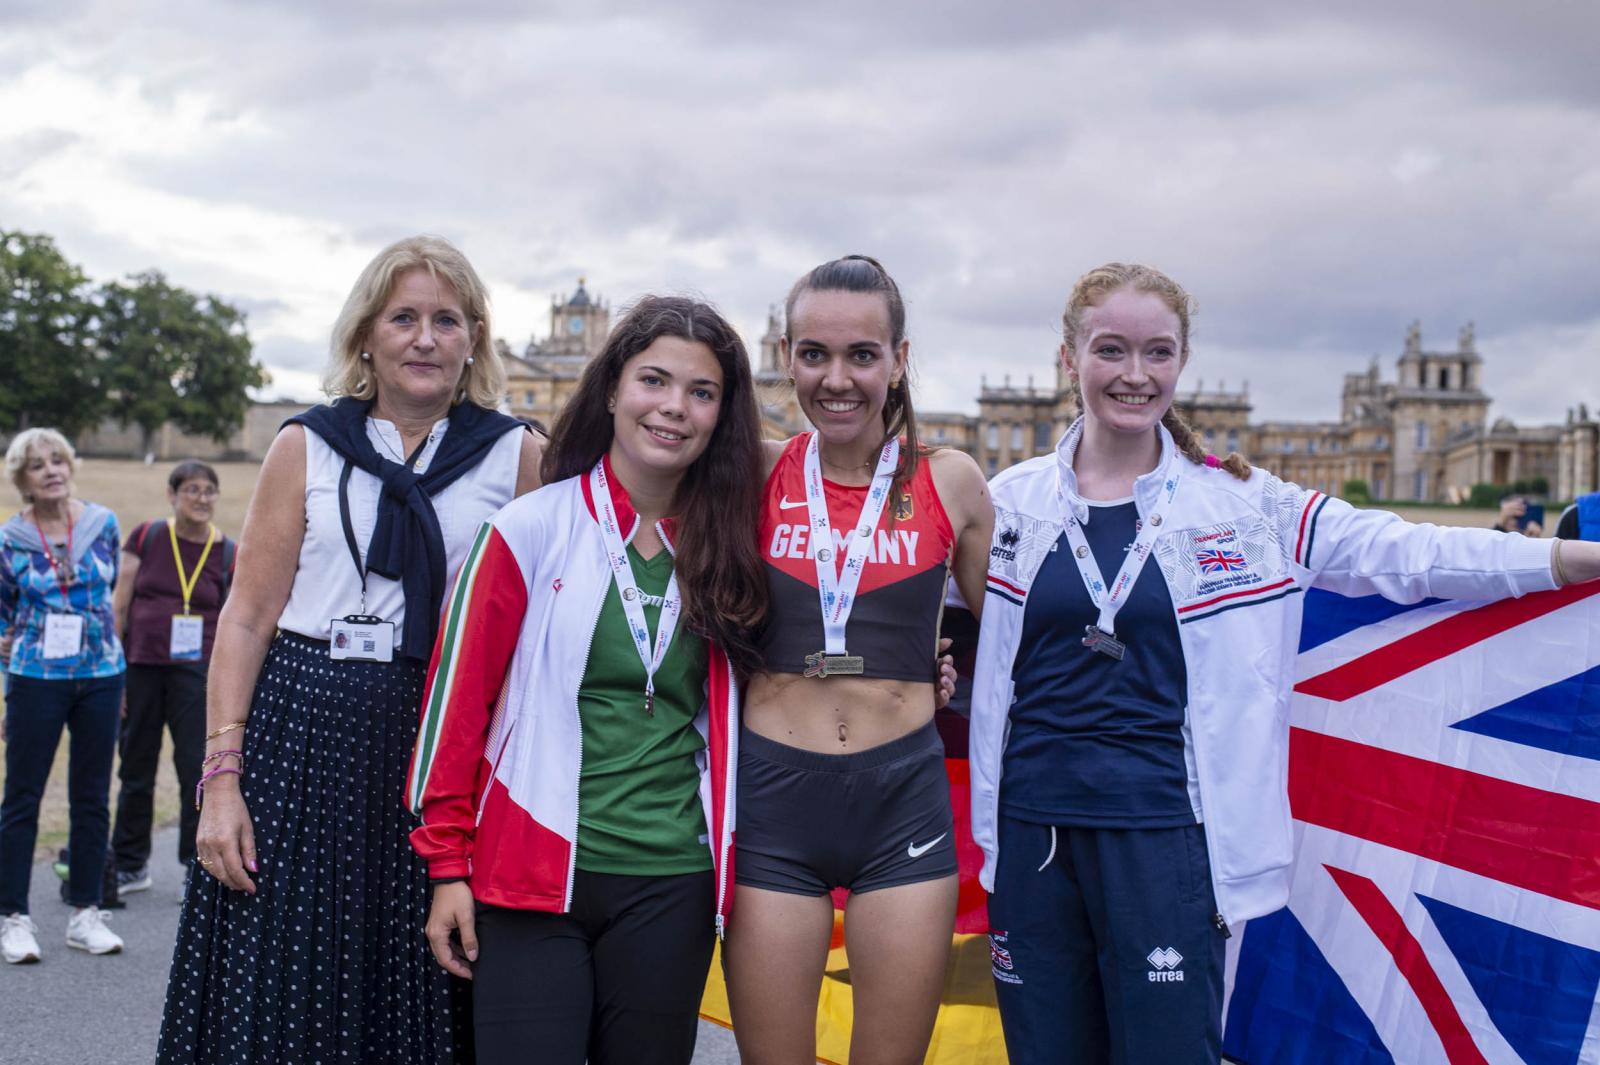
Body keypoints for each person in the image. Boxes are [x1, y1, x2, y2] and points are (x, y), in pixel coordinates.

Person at [966, 262, 1600, 1064]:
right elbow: (917, 612)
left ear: (1182, 360)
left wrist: (1571, 559)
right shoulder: (1007, 500)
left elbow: (1410, 552)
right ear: (1068, 358)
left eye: (1158, 351)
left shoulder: (1247, 505)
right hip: (1032, 833)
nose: (1136, 373)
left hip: (1168, 835)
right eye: (1110, 349)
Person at [157, 234, 542, 1064]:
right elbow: (247, 618)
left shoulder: (518, 454)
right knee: (290, 976)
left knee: (426, 968)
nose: (425, 338)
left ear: (475, 337)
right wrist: (220, 781)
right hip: (301, 741)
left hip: (445, 747)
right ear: (366, 334)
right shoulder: (307, 443)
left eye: (447, 319)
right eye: (403, 317)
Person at [408, 295, 766, 1065]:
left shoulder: (734, 548)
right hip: (528, 870)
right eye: (654, 380)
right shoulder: (527, 528)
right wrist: (445, 866)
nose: (674, 407)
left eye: (702, 392)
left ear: (721, 415)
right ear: (611, 389)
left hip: (672, 877)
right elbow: (455, 707)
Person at [723, 255, 994, 1065]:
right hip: (774, 804)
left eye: (862, 355)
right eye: (814, 354)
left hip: (901, 805)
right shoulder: (752, 471)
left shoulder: (952, 481)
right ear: (786, 356)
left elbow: (1019, 639)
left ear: (899, 359)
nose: (836, 379)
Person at [0, 428, 127, 963]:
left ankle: (85, 913)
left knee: (92, 797)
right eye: (37, 465)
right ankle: (13, 918)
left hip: (101, 674)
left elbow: (108, 590)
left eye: (57, 460)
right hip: (36, 677)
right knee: (22, 797)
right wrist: (9, 682)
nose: (51, 470)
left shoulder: (102, 524)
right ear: (23, 480)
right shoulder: (10, 539)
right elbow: (4, 615)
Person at [107, 460, 237, 893]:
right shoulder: (146, 537)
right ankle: (130, 864)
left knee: (191, 771)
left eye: (208, 490)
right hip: (141, 667)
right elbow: (119, 606)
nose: (201, 498)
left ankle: (193, 867)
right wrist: (116, 674)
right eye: (191, 490)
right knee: (136, 767)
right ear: (172, 495)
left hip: (197, 675)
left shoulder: (227, 551)